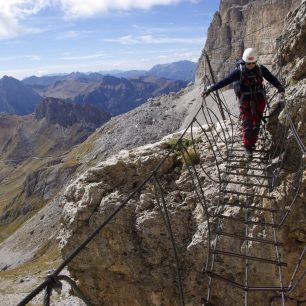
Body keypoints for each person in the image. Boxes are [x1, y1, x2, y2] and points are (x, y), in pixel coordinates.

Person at [202, 48, 285, 158]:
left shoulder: (261, 69)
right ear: (244, 61)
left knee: (257, 123)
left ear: (256, 62)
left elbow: (271, 78)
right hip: (245, 101)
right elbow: (225, 81)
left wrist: (278, 86)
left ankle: (252, 142)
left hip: (259, 100)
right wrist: (210, 89)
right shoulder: (239, 71)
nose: (250, 65)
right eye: (248, 63)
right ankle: (247, 147)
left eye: (252, 63)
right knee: (247, 123)